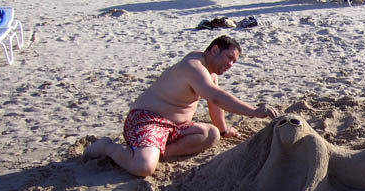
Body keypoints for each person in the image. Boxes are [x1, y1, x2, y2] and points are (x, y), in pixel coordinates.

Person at [83, 36, 279, 177]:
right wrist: (254, 111)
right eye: (229, 58)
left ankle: (158, 151)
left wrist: (224, 129)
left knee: (211, 134)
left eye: (234, 62)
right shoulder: (193, 66)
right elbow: (217, 97)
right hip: (147, 121)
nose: (230, 65)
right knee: (144, 168)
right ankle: (108, 147)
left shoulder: (211, 75)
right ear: (215, 49)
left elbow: (214, 104)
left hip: (174, 129)